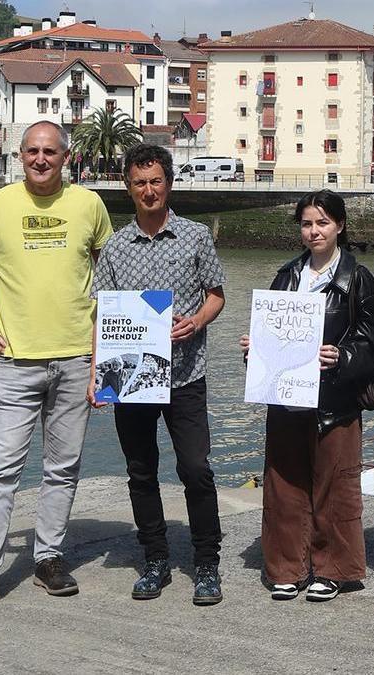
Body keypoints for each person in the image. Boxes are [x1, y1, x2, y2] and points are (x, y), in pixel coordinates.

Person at [0, 120, 113, 621]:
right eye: (33, 151)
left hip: (77, 358)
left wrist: (106, 362)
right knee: (0, 471)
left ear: (67, 157)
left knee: (62, 468)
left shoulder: (90, 206)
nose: (41, 159)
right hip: (15, 363)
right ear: (21, 156)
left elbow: (112, 281)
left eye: (51, 152)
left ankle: (48, 558)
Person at [88, 144, 227, 605]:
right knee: (140, 471)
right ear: (128, 187)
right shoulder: (114, 247)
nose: (149, 190)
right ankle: (155, 558)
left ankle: (207, 562)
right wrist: (96, 373)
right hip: (129, 376)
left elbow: (216, 295)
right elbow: (104, 315)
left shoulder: (195, 236)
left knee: (195, 469)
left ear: (169, 183)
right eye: (139, 183)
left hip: (186, 374)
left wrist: (197, 321)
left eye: (156, 181)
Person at [240, 190, 374, 603]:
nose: (314, 231)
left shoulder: (357, 279)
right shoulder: (286, 276)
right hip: (286, 397)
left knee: (334, 485)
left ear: (339, 226)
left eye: (322, 222)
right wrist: (255, 349)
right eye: (307, 223)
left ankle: (332, 569)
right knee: (283, 483)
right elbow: (270, 335)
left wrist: (342, 356)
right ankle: (287, 567)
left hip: (334, 403)